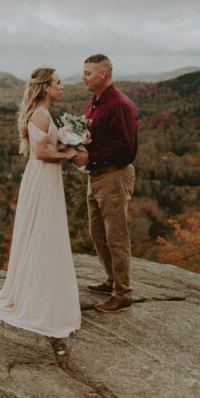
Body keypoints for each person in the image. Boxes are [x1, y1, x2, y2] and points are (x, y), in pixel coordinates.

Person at [0, 67, 82, 338]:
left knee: (43, 232)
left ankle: (42, 294)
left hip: (43, 177)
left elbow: (48, 144)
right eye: (58, 82)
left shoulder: (41, 113)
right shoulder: (42, 113)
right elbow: (42, 152)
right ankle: (40, 301)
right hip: (43, 177)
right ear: (46, 87)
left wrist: (74, 138)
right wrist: (68, 154)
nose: (62, 86)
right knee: (44, 232)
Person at [73, 54, 138, 313]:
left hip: (113, 175)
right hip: (96, 175)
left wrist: (91, 157)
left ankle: (123, 293)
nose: (83, 77)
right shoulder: (96, 103)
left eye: (88, 73)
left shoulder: (119, 105)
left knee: (116, 236)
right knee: (98, 234)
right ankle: (111, 280)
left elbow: (125, 150)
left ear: (104, 74)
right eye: (83, 72)